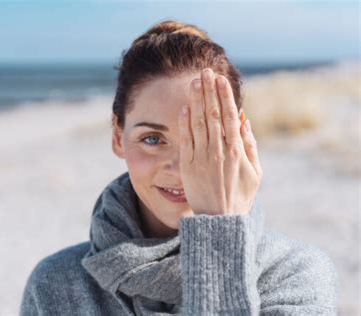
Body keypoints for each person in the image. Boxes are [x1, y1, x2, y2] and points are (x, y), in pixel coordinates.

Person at [19, 20, 338, 315]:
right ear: (118, 137)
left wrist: (218, 226)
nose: (181, 168)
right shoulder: (56, 284)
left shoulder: (297, 274)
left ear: (239, 138)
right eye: (153, 138)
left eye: (201, 138)